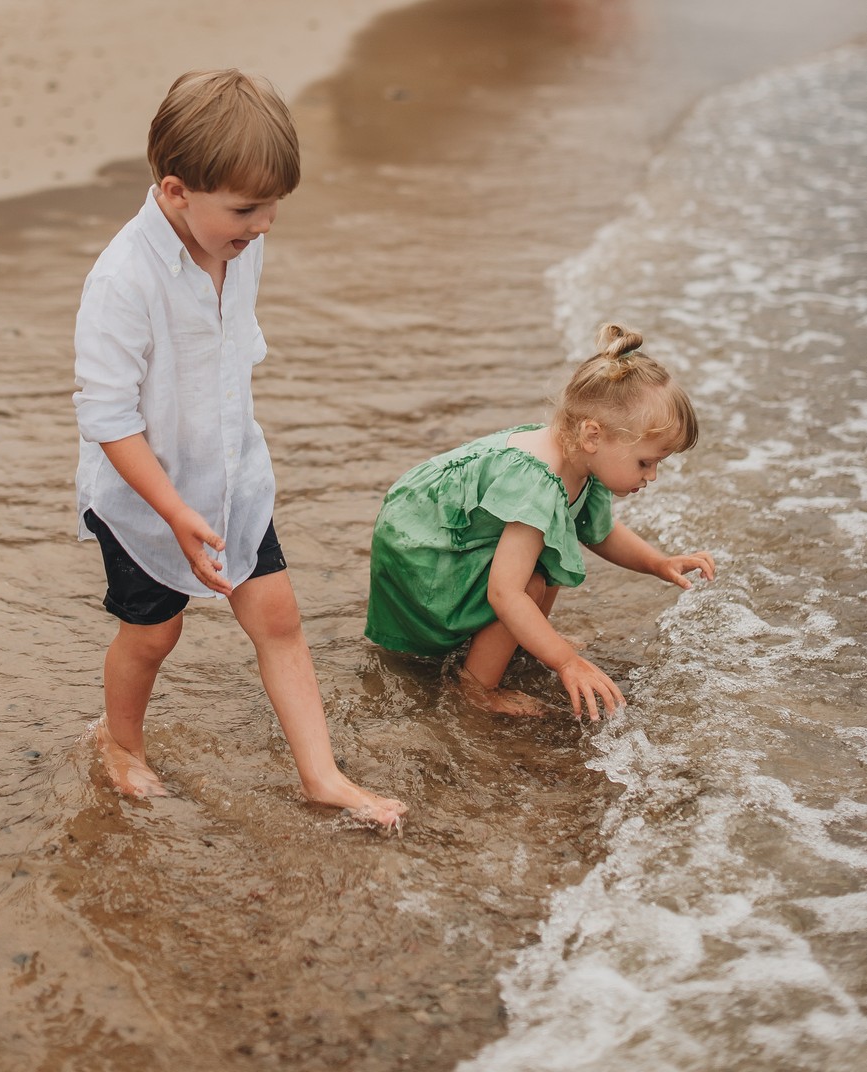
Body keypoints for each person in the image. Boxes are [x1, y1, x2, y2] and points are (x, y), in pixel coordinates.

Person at [74, 69, 406, 827]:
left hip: (229, 475)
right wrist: (173, 511)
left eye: (273, 206)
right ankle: (120, 743)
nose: (264, 226)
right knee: (153, 632)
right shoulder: (123, 280)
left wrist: (225, 481)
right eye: (247, 209)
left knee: (278, 618)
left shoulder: (234, 240)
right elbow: (109, 419)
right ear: (175, 192)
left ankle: (322, 776)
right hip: (143, 495)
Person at [365, 324, 715, 722]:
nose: (651, 476)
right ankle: (476, 689)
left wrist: (658, 563)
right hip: (422, 549)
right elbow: (504, 593)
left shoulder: (582, 459)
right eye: (645, 462)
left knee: (547, 560)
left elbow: (600, 532)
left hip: (444, 532)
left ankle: (522, 639)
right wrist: (567, 662)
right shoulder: (538, 481)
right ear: (593, 435)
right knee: (526, 585)